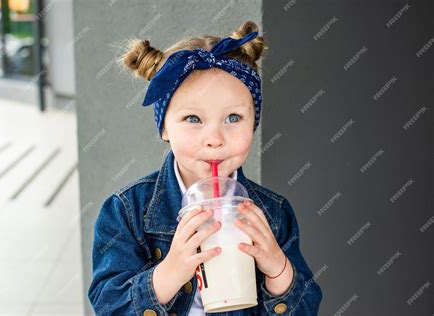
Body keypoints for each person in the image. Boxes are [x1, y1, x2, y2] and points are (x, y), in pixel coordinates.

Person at [88, 20, 322, 315]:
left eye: (234, 118)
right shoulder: (126, 211)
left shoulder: (273, 215)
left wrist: (278, 270)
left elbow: (307, 306)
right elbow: (107, 305)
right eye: (193, 119)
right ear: (164, 129)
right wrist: (170, 271)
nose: (214, 139)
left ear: (254, 123)